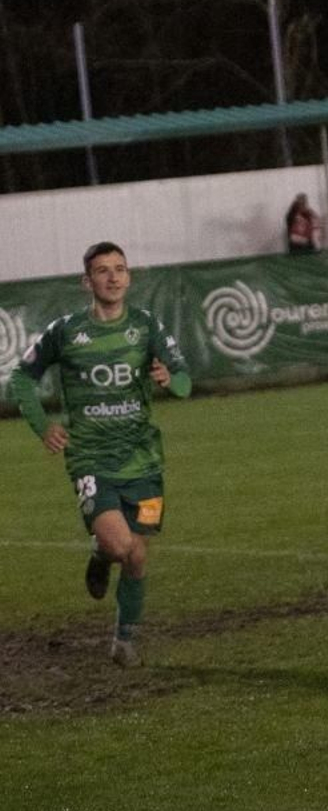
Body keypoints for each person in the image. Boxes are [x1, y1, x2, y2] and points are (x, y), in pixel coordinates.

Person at [7, 242, 191, 667]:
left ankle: (124, 639)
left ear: (129, 277)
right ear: (86, 281)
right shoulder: (66, 331)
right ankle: (103, 550)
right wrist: (42, 425)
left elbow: (184, 379)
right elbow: (22, 377)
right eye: (103, 270)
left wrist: (170, 379)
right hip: (90, 457)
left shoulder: (146, 325)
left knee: (136, 555)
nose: (113, 277)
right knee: (120, 543)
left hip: (143, 459)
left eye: (120, 269)